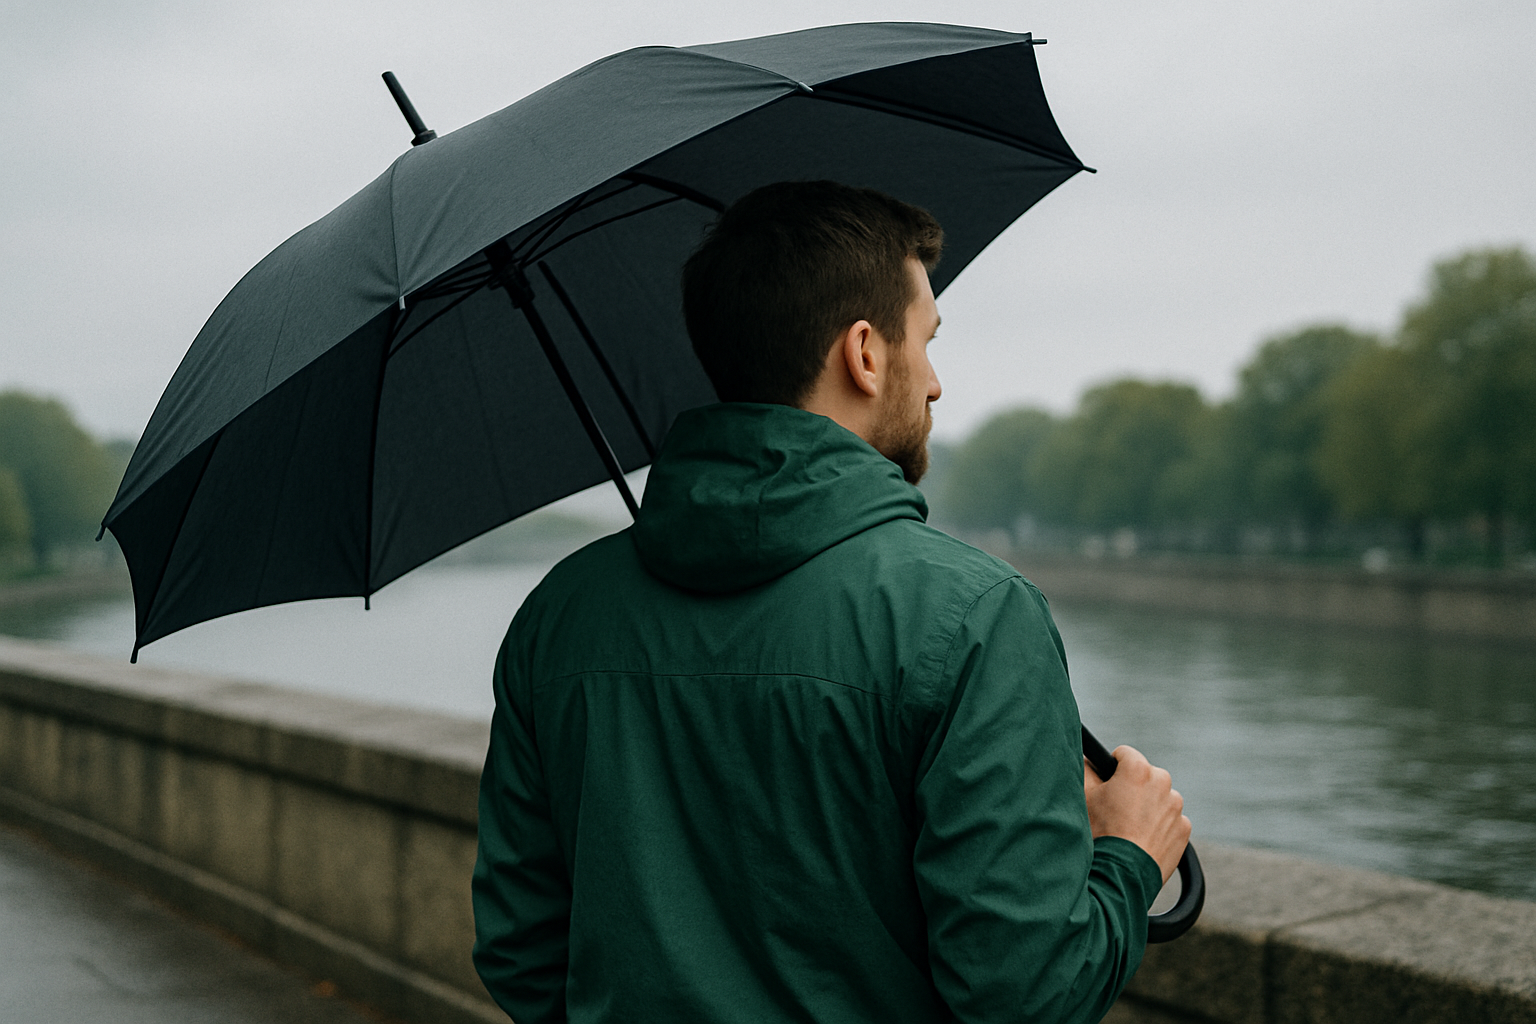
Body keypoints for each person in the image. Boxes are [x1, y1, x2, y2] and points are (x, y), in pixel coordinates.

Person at [472, 180, 1191, 1024]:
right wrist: (1127, 857)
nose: (933, 383)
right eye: (925, 340)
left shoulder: (559, 613)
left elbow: (521, 955)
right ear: (864, 352)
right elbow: (1020, 993)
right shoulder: (974, 614)